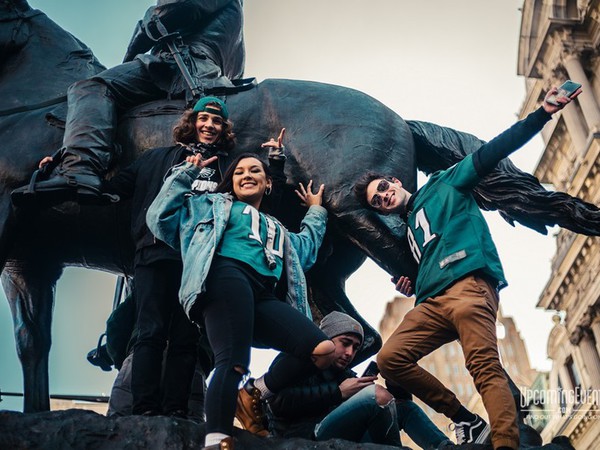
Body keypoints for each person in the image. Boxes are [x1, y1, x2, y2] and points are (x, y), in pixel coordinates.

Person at [353, 86, 581, 450]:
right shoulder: (410, 229)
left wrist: (542, 113)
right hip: (431, 304)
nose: (383, 197)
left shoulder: (446, 183)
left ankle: (505, 444)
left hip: (467, 288)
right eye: (377, 202)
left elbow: (494, 150)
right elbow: (430, 255)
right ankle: (465, 418)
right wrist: (414, 280)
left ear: (394, 181)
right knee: (391, 359)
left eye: (382, 188)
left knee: (483, 368)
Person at [147, 152, 336, 450]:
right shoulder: (211, 205)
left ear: (268, 183)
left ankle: (253, 392)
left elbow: (306, 250)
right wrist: (185, 173)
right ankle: (216, 441)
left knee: (323, 351)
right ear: (232, 183)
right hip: (225, 275)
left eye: (255, 170)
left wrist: (316, 210)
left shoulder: (275, 227)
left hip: (262, 293)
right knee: (233, 361)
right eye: (239, 172)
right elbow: (160, 218)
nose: (247, 175)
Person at [11, 0, 244, 206]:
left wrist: (138, 41)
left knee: (92, 87)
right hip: (198, 65)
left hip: (179, 64)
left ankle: (78, 169)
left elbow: (174, 10)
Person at [264, 311, 449, 449]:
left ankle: (445, 447)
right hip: (305, 439)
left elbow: (391, 405)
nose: (350, 353)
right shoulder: (298, 360)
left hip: (341, 437)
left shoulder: (345, 374)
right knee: (376, 396)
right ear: (327, 339)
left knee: (403, 407)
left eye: (355, 347)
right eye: (345, 343)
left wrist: (395, 383)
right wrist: (338, 393)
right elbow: (278, 402)